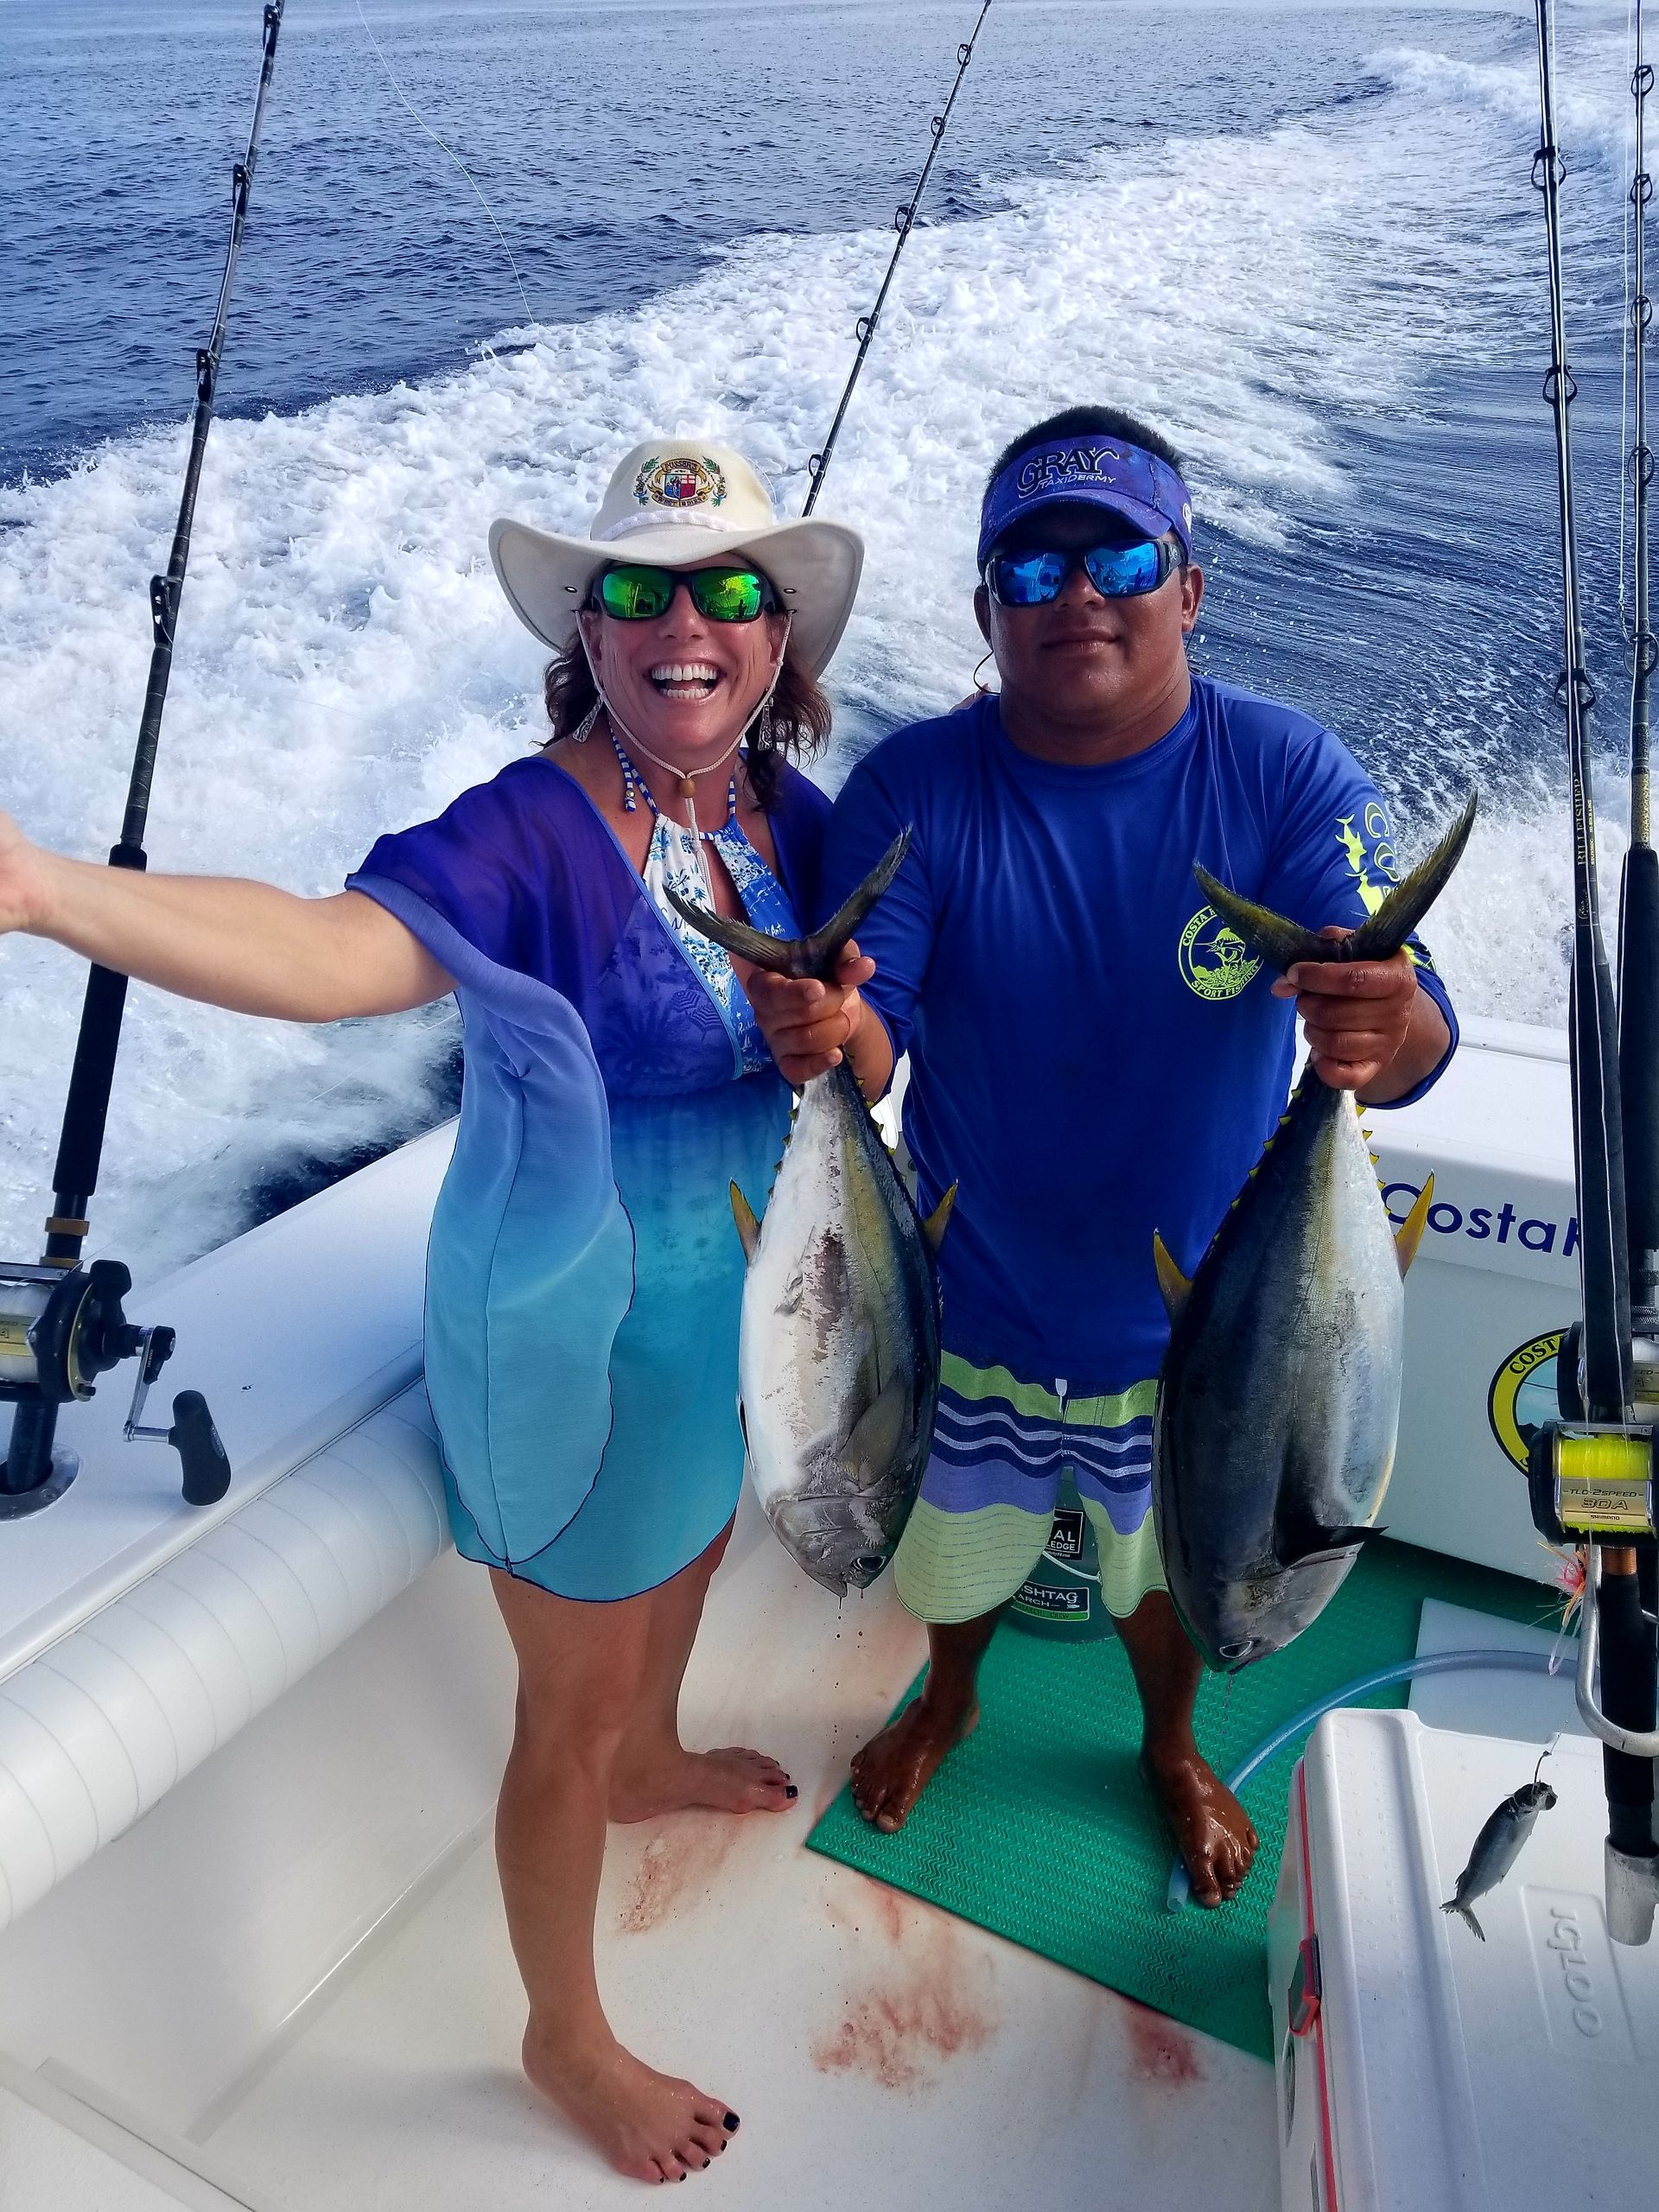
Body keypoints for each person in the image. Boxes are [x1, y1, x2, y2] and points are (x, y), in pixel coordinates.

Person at [0, 440, 863, 2182]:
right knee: (565, 1696)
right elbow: (331, 951)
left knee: (696, 1539)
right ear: (590, 634)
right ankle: (563, 2027)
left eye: (723, 589)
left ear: (780, 639)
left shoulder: (798, 821)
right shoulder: (533, 825)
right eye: (637, 589)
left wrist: (850, 1038)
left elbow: (879, 1021)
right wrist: (42, 891)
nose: (681, 619)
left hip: (737, 1302)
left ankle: (660, 1755)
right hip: (562, 1319)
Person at [744, 405, 1457, 1909]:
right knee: (943, 1559)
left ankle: (1171, 1746)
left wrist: (1375, 1023)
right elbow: (887, 1036)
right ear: (990, 606)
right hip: (973, 1297)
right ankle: (948, 1702)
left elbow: (1421, 1036)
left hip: (1211, 1329)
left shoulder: (1285, 774)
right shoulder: (916, 790)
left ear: (1188, 585)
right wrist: (825, 1029)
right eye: (1036, 563)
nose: (1082, 593)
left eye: (1123, 554)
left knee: (1172, 1577)